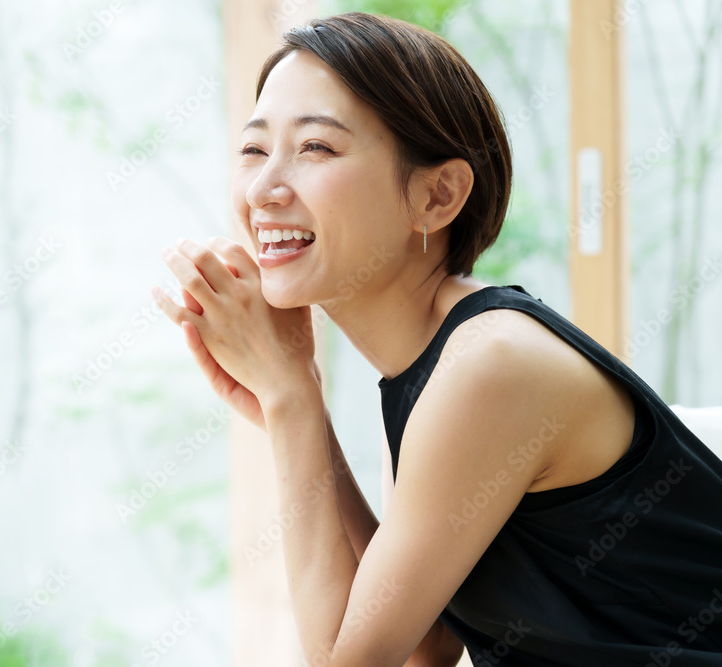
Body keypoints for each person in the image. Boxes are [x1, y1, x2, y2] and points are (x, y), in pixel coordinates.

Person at [152, 12, 722, 667]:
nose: (262, 189)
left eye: (315, 148)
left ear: (437, 195)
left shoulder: (487, 366)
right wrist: (299, 395)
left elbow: (351, 662)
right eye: (254, 149)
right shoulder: (431, 363)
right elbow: (427, 643)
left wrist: (290, 399)